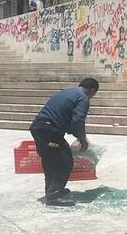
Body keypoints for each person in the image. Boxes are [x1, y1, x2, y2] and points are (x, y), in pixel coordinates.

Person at [30, 78, 100, 206]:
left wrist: (77, 135)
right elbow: (78, 121)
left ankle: (52, 190)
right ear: (92, 90)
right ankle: (54, 194)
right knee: (64, 160)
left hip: (39, 129)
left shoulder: (69, 92)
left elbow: (67, 120)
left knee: (50, 160)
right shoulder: (83, 97)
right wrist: (83, 140)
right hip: (49, 132)